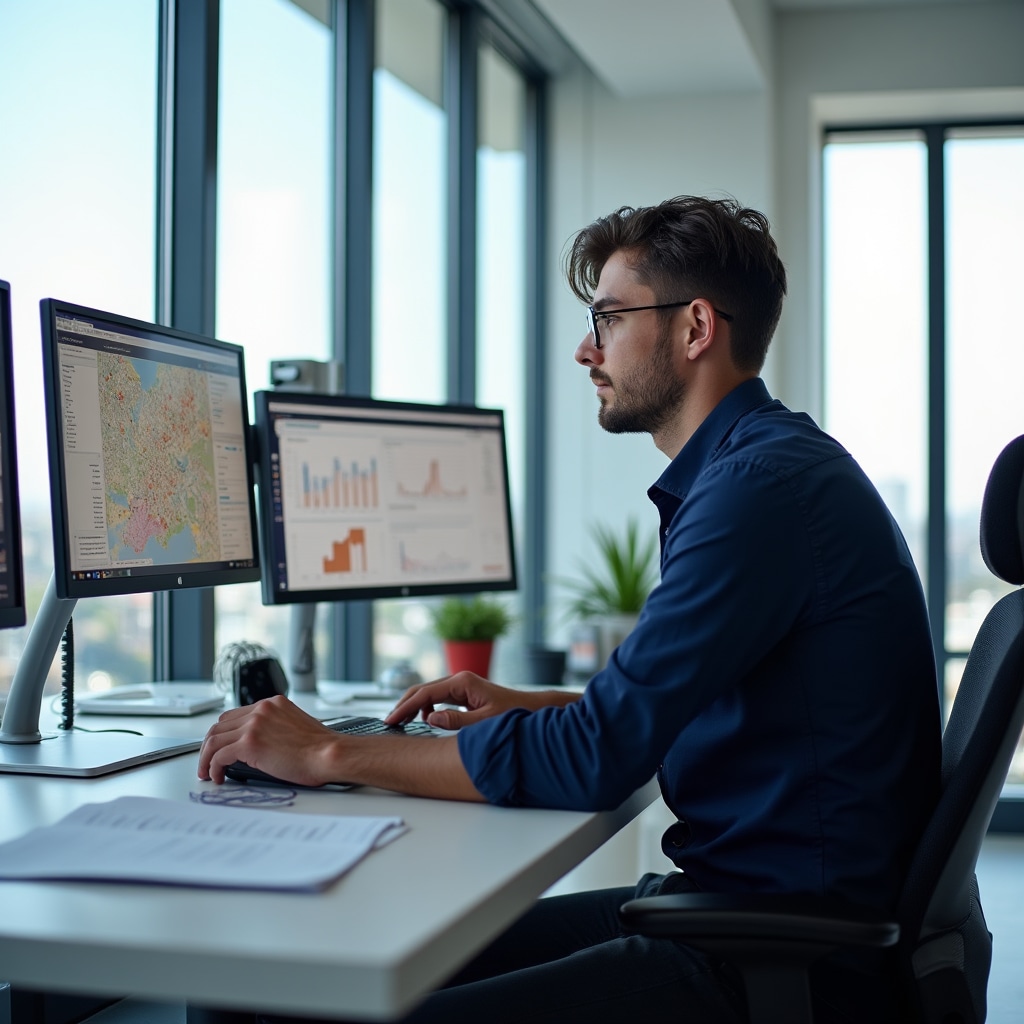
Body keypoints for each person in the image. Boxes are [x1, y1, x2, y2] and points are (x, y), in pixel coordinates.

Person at [199, 195, 941, 1023]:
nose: (586, 349)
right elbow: (712, 704)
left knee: (311, 1004)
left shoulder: (756, 492)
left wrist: (332, 753)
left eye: (610, 319)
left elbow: (598, 760)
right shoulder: (762, 465)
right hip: (755, 912)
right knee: (322, 981)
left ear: (696, 329)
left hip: (780, 959)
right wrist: (543, 705)